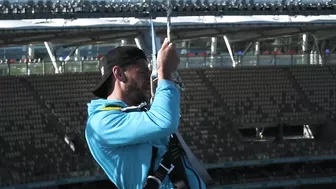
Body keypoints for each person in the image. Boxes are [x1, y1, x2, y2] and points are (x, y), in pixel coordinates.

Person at [85, 38, 207, 189]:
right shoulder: (101, 123)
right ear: (119, 74)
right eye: (142, 72)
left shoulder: (138, 113)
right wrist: (164, 72)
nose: (149, 77)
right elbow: (165, 122)